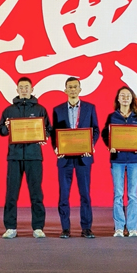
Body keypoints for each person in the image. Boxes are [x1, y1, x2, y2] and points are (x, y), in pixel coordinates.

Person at [0, 77, 50, 239]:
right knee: (11, 193)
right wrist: (6, 127)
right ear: (17, 90)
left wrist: (44, 136)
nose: (24, 89)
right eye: (21, 87)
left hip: (34, 156)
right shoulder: (9, 110)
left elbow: (48, 129)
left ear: (32, 89)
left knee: (36, 193)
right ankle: (10, 227)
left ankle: (38, 227)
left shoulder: (40, 109)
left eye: (27, 87)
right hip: (14, 156)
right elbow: (1, 130)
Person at [50, 77, 99, 239]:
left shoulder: (89, 108)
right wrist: (56, 148)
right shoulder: (57, 109)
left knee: (85, 194)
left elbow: (95, 130)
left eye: (75, 87)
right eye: (69, 87)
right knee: (64, 195)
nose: (72, 89)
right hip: (65, 158)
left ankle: (86, 228)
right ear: (65, 90)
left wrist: (90, 145)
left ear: (80, 89)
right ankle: (65, 228)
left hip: (83, 158)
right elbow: (54, 133)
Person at [101, 86, 137, 237]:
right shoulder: (112, 117)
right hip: (117, 160)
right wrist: (110, 146)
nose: (125, 98)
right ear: (118, 99)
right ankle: (119, 227)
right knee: (118, 194)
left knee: (133, 194)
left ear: (132, 99)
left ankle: (132, 228)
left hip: (134, 159)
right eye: (122, 95)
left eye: (128, 96)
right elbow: (105, 134)